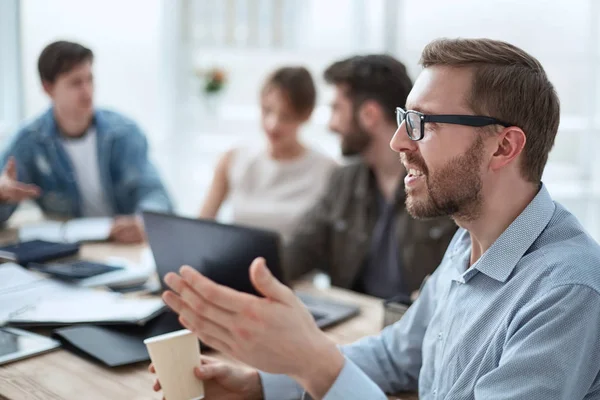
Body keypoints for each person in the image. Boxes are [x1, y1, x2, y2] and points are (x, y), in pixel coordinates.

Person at [155, 38, 600, 399]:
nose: (398, 141)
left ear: (503, 147)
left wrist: (315, 364)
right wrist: (263, 385)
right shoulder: (469, 241)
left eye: (423, 123)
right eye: (405, 118)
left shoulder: (567, 291)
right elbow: (396, 355)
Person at [282, 55, 456, 298]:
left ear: (369, 115)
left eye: (336, 109)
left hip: (413, 327)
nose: (331, 125)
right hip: (357, 327)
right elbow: (297, 253)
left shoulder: (440, 184)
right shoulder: (344, 180)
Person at [0, 41, 173, 243]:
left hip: (125, 246)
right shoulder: (28, 143)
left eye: (89, 79)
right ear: (48, 88)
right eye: (75, 83)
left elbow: (155, 194)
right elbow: (6, 192)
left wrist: (142, 222)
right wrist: (2, 197)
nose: (87, 90)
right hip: (72, 249)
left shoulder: (124, 134)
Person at [198, 66, 337, 243]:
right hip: (236, 266)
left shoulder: (328, 171)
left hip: (292, 271)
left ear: (306, 115)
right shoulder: (233, 159)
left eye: (286, 116)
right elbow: (202, 226)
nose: (273, 125)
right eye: (267, 110)